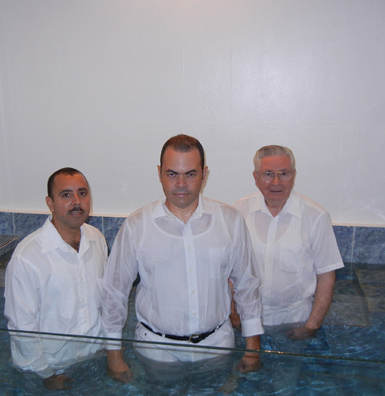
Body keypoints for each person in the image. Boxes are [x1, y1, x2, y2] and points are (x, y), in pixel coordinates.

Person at [102, 134, 263, 382]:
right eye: (172, 174)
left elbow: (247, 285)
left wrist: (252, 348)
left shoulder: (230, 221)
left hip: (216, 346)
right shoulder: (137, 225)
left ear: (204, 174)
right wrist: (114, 355)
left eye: (190, 174)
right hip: (156, 350)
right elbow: (115, 292)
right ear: (159, 173)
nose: (181, 184)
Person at [4, 167, 108, 390]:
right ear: (50, 203)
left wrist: (110, 349)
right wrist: (46, 375)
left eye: (83, 193)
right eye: (66, 195)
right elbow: (22, 326)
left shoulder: (97, 240)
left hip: (93, 361)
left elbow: (105, 302)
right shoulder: (28, 257)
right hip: (48, 371)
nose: (77, 201)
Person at [234, 145, 344, 339]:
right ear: (255, 177)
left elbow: (326, 276)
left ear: (293, 175)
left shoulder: (315, 216)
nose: (276, 182)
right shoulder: (239, 212)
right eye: (268, 174)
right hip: (246, 319)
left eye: (283, 173)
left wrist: (311, 327)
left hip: (295, 321)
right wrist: (233, 314)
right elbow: (228, 270)